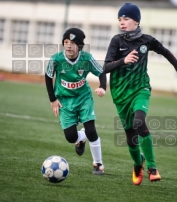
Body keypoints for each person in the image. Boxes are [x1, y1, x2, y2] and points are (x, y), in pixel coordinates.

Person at [103, 2, 177, 185]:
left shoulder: (147, 40)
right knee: (130, 137)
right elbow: (105, 67)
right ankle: (138, 164)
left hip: (140, 89)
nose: (122, 22)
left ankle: (152, 167)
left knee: (139, 122)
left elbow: (167, 53)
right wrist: (123, 60)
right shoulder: (116, 41)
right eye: (119, 19)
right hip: (120, 94)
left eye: (125, 18)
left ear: (136, 20)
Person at [45, 28, 107, 175]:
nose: (68, 45)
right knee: (70, 137)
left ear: (79, 45)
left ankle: (98, 164)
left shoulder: (87, 58)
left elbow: (102, 72)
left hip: (84, 98)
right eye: (66, 42)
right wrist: (53, 99)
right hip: (65, 101)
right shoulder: (56, 59)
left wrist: (103, 87)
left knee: (91, 130)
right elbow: (48, 77)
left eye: (72, 43)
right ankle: (80, 139)